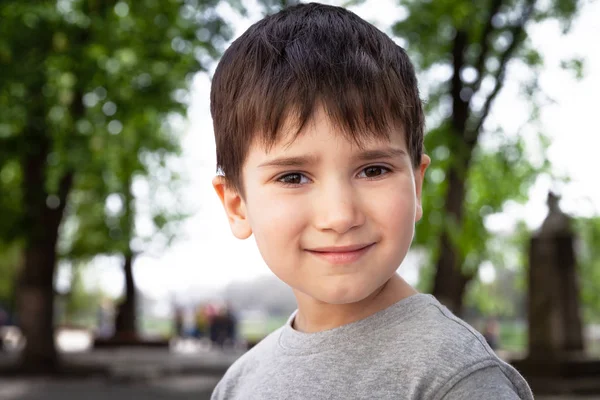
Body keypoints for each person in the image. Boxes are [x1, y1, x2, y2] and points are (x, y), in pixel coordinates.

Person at [209, 3, 533, 399]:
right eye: (293, 176)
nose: (340, 215)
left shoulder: (455, 379)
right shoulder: (240, 382)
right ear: (236, 206)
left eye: (374, 170)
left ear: (417, 185)